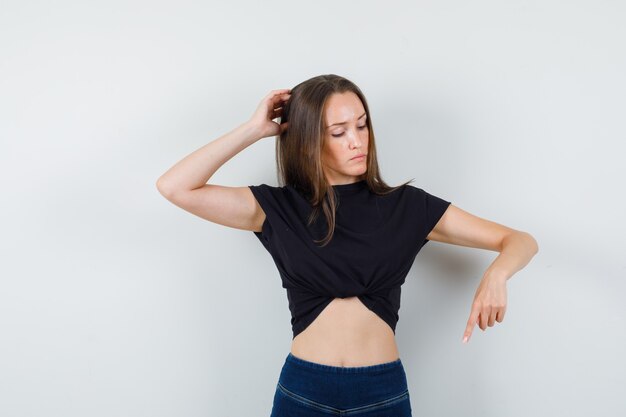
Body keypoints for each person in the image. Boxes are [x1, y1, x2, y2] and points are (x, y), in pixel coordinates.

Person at [156, 74, 539, 416]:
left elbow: (519, 240)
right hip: (303, 391)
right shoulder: (276, 208)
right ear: (307, 141)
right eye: (338, 132)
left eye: (362, 125)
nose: (357, 141)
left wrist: (497, 274)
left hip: (381, 393)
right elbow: (175, 186)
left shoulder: (408, 207)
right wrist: (254, 129)